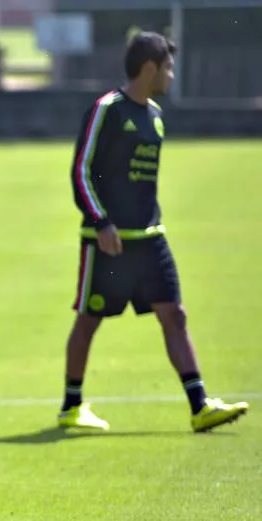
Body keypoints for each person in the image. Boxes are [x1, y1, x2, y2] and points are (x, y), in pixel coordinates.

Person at [61, 30, 248, 432]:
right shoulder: (107, 109)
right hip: (109, 245)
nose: (172, 75)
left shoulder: (156, 117)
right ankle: (71, 405)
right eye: (168, 67)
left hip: (150, 240)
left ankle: (199, 406)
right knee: (89, 318)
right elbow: (81, 170)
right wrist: (101, 222)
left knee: (174, 315)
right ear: (149, 68)